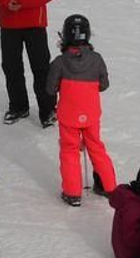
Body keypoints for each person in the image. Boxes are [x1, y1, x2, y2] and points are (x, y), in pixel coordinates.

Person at [45, 14, 117, 207]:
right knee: (97, 148)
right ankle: (111, 188)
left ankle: (72, 192)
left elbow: (50, 89)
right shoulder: (97, 59)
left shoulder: (60, 62)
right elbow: (104, 85)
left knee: (69, 151)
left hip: (69, 115)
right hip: (91, 114)